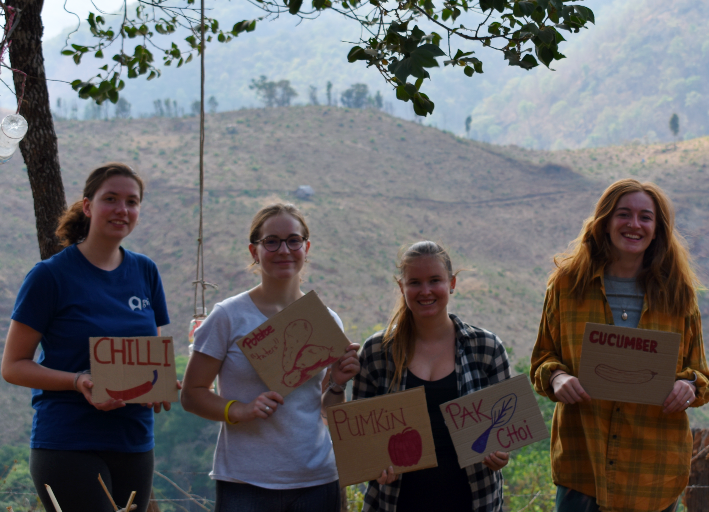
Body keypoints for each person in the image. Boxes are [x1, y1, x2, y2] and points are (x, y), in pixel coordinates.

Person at [530, 178, 709, 512]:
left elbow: (701, 375)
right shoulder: (567, 285)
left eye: (646, 217)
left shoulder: (678, 294)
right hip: (583, 462)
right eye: (624, 214)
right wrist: (557, 378)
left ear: (658, 229)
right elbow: (543, 358)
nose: (634, 224)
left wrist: (688, 386)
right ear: (604, 221)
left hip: (652, 471)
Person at [1, 163, 170, 512]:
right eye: (111, 199)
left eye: (132, 201)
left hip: (134, 440)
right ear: (88, 206)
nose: (122, 210)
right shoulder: (50, 276)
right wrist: (78, 381)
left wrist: (159, 387)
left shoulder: (146, 271)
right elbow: (13, 366)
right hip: (68, 442)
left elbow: (146, 356)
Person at [180, 203, 359, 511]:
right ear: (254, 251)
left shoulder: (326, 320)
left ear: (306, 247)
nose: (284, 250)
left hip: (316, 479)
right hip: (245, 482)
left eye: (293, 240)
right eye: (271, 241)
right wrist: (240, 409)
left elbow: (327, 411)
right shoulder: (227, 316)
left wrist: (338, 385)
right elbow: (192, 395)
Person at [353, 241, 511, 512]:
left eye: (434, 280)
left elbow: (506, 427)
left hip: (473, 501)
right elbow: (360, 440)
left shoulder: (486, 348)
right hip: (395, 502)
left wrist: (501, 454)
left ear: (452, 283)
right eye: (415, 282)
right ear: (402, 288)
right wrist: (374, 465)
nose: (425, 291)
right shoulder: (376, 352)